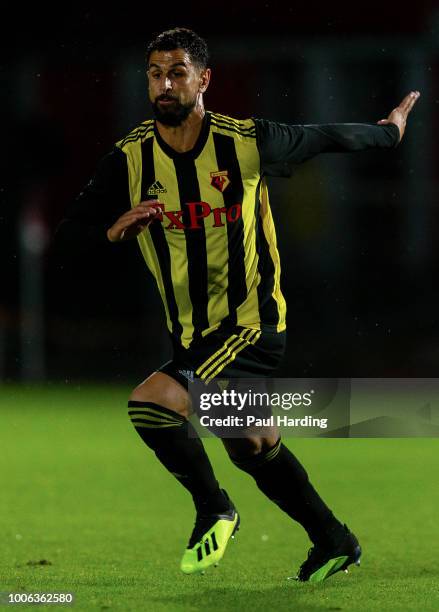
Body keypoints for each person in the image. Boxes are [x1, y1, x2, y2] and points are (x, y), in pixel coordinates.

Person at [55, 27, 420, 582]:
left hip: (251, 325)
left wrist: (388, 134)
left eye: (177, 72)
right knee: (251, 443)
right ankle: (334, 540)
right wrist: (110, 232)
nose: (164, 83)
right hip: (193, 337)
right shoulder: (129, 160)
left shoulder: (244, 140)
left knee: (151, 403)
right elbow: (70, 235)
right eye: (155, 73)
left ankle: (214, 509)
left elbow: (321, 138)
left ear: (204, 80)